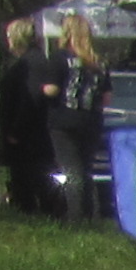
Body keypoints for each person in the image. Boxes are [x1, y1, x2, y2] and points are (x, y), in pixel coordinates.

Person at [44, 11, 108, 222]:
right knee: (86, 169)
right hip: (91, 120)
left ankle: (76, 217)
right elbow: (108, 97)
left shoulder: (60, 57)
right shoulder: (98, 62)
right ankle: (93, 214)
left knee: (72, 170)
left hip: (64, 120)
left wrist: (41, 89)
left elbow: (52, 90)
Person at [0, 19, 46, 213]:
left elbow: (30, 97)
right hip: (24, 130)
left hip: (26, 134)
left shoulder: (30, 63)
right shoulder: (29, 61)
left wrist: (16, 130)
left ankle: (28, 212)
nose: (7, 40)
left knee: (26, 177)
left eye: (9, 36)